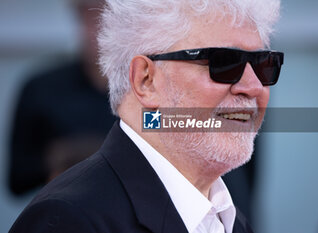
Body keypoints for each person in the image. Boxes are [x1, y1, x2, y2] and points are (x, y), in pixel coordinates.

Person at [9, 0, 283, 232]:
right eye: (223, 63)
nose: (254, 87)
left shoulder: (230, 221)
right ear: (146, 80)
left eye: (263, 64)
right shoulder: (68, 221)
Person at [8, 0, 115, 195]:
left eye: (110, 19)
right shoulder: (40, 89)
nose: (100, 29)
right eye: (92, 17)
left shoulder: (153, 90)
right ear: (79, 18)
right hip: (64, 213)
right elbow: (17, 179)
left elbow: (181, 127)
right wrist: (56, 158)